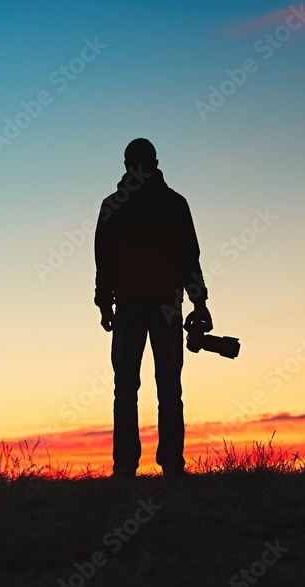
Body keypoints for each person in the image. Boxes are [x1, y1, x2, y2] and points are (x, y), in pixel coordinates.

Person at [94, 138, 211, 479]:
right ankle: (166, 465)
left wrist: (104, 304)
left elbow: (104, 262)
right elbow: (190, 258)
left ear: (127, 163)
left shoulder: (114, 204)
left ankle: (129, 467)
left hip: (142, 306)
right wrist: (199, 302)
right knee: (165, 388)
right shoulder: (173, 203)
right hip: (159, 307)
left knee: (131, 388)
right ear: (154, 161)